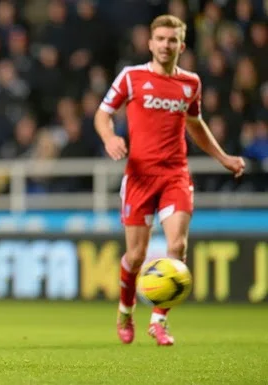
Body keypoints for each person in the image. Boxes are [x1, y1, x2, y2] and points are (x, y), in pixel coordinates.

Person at [94, 15, 245, 346]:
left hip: (175, 174)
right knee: (136, 256)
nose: (165, 45)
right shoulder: (131, 77)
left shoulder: (191, 83)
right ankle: (125, 310)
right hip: (139, 176)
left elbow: (196, 124)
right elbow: (103, 113)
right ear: (150, 43)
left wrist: (223, 158)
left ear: (182, 45)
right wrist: (109, 139)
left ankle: (159, 321)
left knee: (177, 245)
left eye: (172, 40)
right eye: (160, 38)